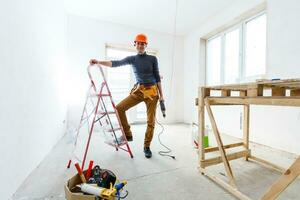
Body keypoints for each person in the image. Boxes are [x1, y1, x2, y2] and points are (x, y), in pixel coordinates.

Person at [89, 34, 164, 158]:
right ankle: (127, 134)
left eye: (143, 43)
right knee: (119, 108)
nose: (140, 45)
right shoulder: (132, 59)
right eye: (138, 43)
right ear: (135, 44)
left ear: (146, 45)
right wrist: (99, 62)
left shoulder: (153, 59)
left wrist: (162, 96)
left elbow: (157, 77)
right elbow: (115, 63)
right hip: (139, 90)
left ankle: (147, 146)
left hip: (152, 92)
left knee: (150, 122)